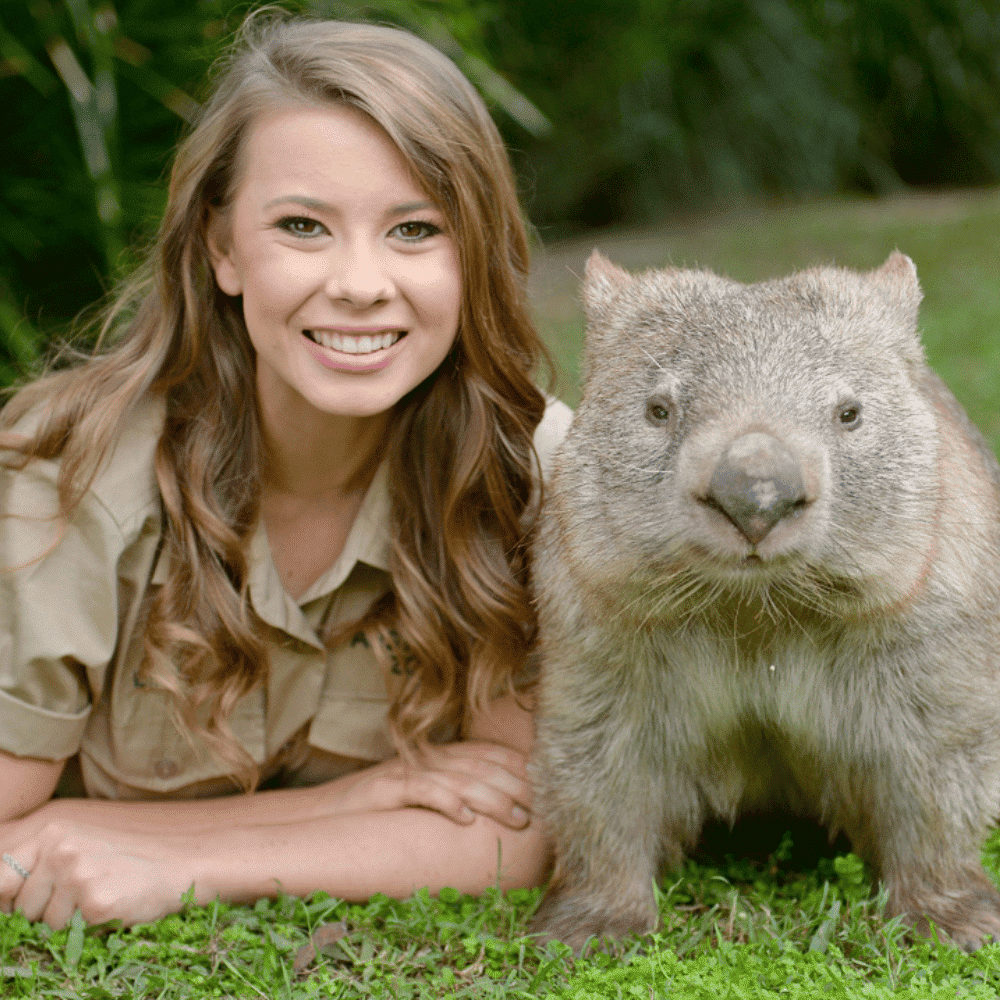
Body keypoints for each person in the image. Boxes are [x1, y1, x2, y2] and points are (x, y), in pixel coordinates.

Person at [0, 14, 571, 929]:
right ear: (222, 248)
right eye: (303, 226)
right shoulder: (73, 480)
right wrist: (351, 805)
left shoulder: (532, 481)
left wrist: (185, 858)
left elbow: (518, 829)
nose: (358, 282)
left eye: (415, 229)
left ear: (476, 252)